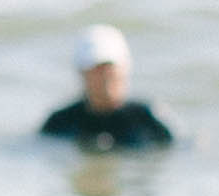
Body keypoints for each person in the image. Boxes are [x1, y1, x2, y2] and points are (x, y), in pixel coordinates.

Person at [40, 25, 173, 152]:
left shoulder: (149, 119)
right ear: (81, 72)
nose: (104, 76)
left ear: (124, 68)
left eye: (109, 68)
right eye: (96, 69)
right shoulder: (60, 123)